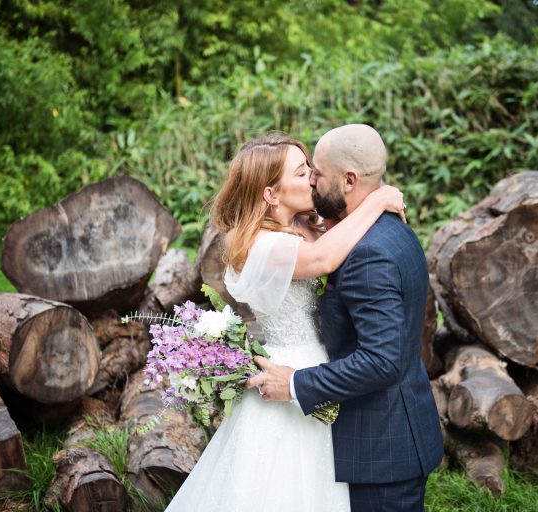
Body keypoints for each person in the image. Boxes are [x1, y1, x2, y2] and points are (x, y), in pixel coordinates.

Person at [163, 132, 406, 512]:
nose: (312, 175)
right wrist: (378, 200)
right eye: (300, 171)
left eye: (308, 165)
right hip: (289, 374)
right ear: (270, 194)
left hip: (318, 365)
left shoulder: (305, 225)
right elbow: (324, 261)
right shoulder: (264, 246)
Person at [248, 124, 444, 512]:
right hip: (385, 430)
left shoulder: (368, 254)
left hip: (382, 446)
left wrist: (296, 383)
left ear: (349, 180)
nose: (312, 182)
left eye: (317, 173)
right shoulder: (388, 228)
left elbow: (381, 360)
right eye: (304, 173)